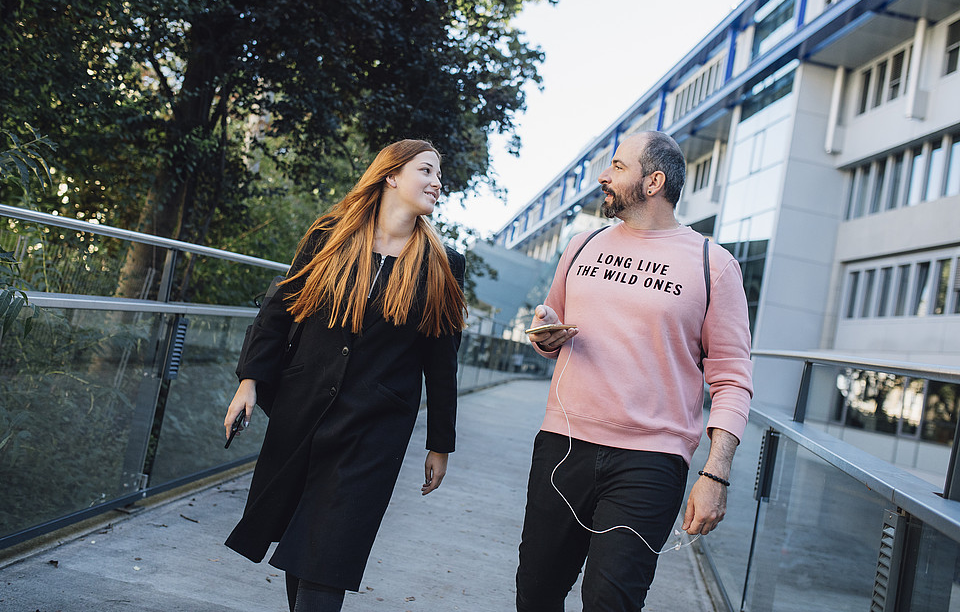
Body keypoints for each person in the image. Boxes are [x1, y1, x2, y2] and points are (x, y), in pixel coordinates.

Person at [222, 139, 466, 612]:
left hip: (373, 431)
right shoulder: (330, 235)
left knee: (329, 550)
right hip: (302, 410)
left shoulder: (443, 263)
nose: (438, 183)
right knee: (303, 541)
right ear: (391, 175)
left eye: (439, 175)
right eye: (427, 171)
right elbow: (279, 310)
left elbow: (442, 359)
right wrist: (249, 381)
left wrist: (440, 442)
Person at [516, 131, 753, 611]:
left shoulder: (714, 265)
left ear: (654, 182)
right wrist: (545, 336)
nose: (603, 176)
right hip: (563, 447)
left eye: (618, 167)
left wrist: (716, 473)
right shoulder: (582, 245)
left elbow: (732, 379)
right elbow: (551, 324)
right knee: (535, 595)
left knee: (611, 602)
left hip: (651, 463)